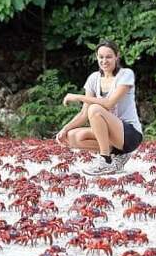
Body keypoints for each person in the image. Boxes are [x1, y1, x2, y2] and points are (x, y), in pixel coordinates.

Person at [56, 40, 143, 175]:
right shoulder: (93, 78)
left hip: (129, 134)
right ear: (96, 57)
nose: (104, 61)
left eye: (108, 56)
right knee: (71, 136)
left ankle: (105, 160)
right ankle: (118, 156)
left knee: (95, 109)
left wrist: (78, 97)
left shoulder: (126, 74)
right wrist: (64, 128)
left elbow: (109, 103)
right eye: (101, 57)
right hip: (110, 136)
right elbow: (84, 114)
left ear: (117, 56)